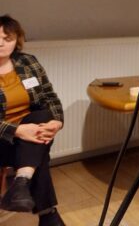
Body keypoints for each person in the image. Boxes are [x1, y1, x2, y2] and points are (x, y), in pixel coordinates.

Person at [0, 15, 65, 226]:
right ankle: (48, 215)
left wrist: (57, 122)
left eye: (7, 38)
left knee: (43, 117)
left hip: (28, 137)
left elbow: (49, 97)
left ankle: (21, 181)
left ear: (16, 40)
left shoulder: (28, 61)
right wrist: (18, 130)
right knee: (39, 153)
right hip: (3, 138)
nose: (1, 43)